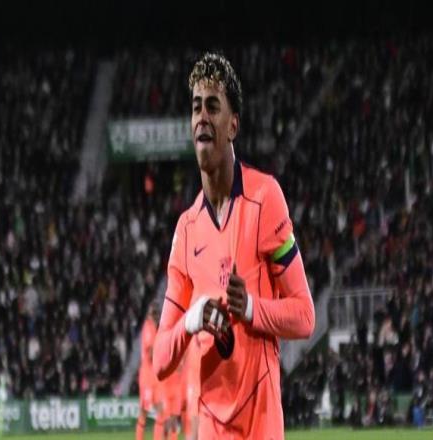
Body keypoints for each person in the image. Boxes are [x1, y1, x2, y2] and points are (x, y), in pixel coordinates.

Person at [153, 52, 315, 439]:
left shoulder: (265, 198)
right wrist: (190, 320)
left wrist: (253, 309)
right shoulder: (186, 230)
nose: (202, 117)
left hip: (261, 422)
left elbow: (305, 316)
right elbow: (160, 360)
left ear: (233, 125)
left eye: (213, 107)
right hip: (212, 427)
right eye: (196, 107)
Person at [136, 302, 159, 440]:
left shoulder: (154, 327)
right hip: (147, 376)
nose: (156, 315)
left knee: (162, 411)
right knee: (144, 411)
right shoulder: (148, 327)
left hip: (154, 375)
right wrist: (160, 350)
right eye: (154, 313)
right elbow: (150, 353)